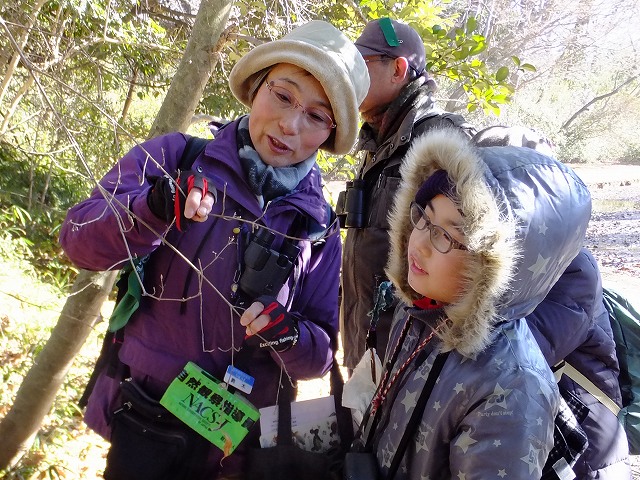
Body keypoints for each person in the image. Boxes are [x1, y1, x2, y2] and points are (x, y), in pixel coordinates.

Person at [59, 20, 369, 479]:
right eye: (283, 96)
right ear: (257, 88)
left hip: (240, 452)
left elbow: (320, 354)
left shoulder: (317, 225)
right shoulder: (176, 158)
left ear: (331, 132)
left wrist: (286, 334)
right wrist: (153, 208)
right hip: (148, 419)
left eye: (317, 116)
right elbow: (77, 239)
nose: (290, 124)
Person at [352, 128, 592, 478]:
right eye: (424, 217)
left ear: (492, 266)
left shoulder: (511, 389)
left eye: (447, 235)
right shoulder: (420, 311)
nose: (420, 244)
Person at [473, 126, 631, 478]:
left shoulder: (575, 268)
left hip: (584, 442)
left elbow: (514, 351)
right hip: (539, 431)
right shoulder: (498, 255)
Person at [338, 17, 476, 372]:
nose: (349, 75)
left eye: (360, 63)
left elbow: (465, 260)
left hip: (411, 359)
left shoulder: (441, 143)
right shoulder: (376, 141)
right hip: (365, 348)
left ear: (398, 69)